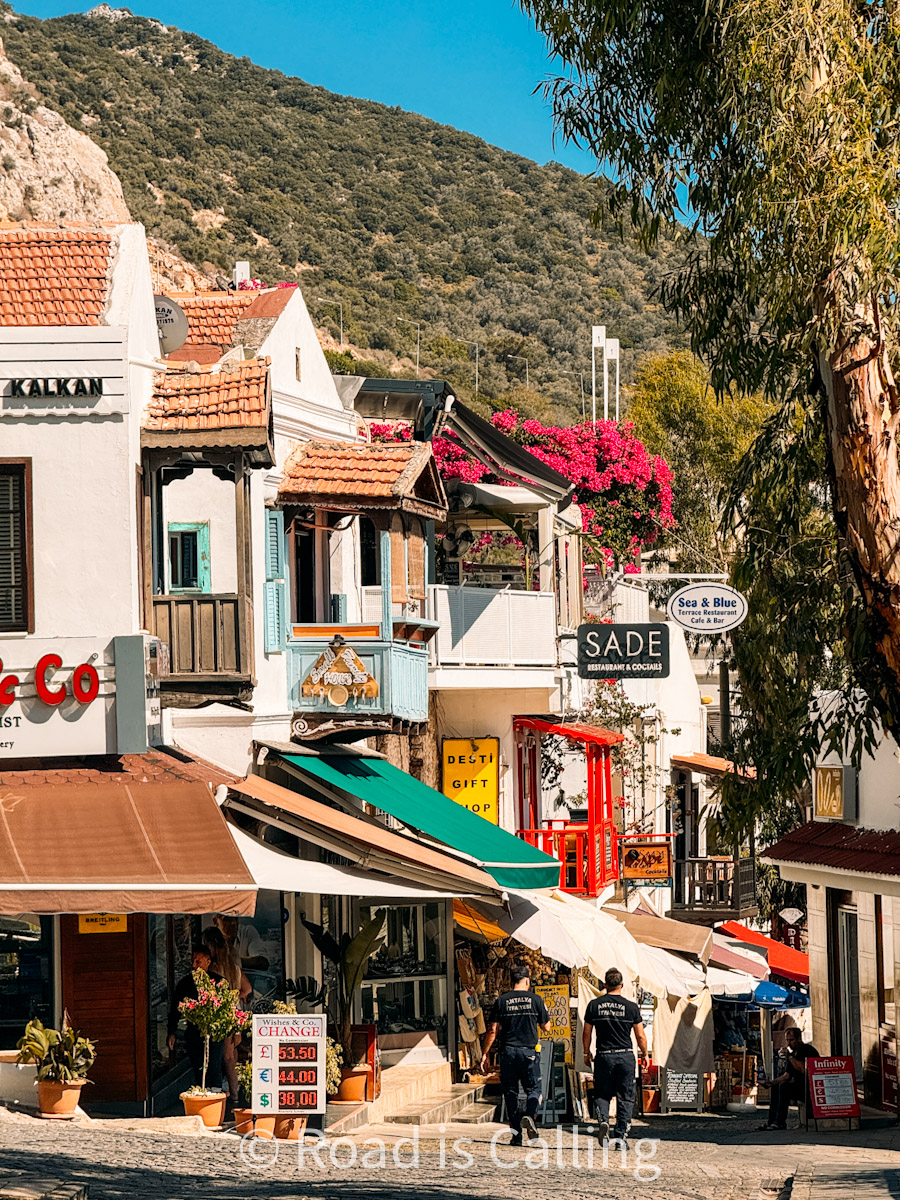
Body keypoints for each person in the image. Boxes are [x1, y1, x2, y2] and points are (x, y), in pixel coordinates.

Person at [479, 962, 551, 1146]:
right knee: (534, 1089)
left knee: (510, 1093)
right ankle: (529, 1115)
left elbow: (493, 1030)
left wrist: (485, 1053)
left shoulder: (502, 1001)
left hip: (508, 1052)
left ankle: (516, 1135)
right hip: (529, 1052)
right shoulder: (536, 1000)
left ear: (511, 981)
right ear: (527, 981)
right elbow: (547, 1027)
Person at [583, 967, 648, 1145]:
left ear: (605, 984)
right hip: (625, 1056)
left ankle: (604, 1121)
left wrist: (586, 1052)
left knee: (602, 1094)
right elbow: (640, 1035)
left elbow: (587, 1032)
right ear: (622, 985)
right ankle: (620, 1137)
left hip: (604, 1056)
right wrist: (644, 1054)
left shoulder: (594, 1005)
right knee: (625, 1096)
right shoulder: (631, 1007)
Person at [202, 924, 251, 1104]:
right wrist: (234, 997)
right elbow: (247, 989)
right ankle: (235, 1093)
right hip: (234, 1015)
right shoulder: (233, 967)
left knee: (226, 1057)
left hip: (220, 1017)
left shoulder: (213, 969)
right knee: (232, 1056)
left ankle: (234, 1096)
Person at [167, 945, 225, 1091]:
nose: (194, 966)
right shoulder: (185, 983)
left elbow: (227, 1010)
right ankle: (201, 1093)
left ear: (208, 961)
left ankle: (215, 1096)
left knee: (214, 1066)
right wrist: (172, 1032)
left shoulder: (218, 982)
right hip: (194, 1031)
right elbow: (175, 1009)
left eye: (198, 962)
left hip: (215, 1032)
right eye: (193, 962)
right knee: (198, 1068)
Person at [759, 1026, 819, 1131]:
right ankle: (772, 1121)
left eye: (791, 1040)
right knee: (777, 1087)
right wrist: (771, 1083)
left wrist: (790, 1057)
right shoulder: (792, 1054)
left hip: (809, 1087)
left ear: (799, 1038)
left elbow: (803, 1069)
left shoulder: (807, 1050)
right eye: (787, 1040)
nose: (789, 1043)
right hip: (798, 1086)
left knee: (784, 1087)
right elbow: (787, 1075)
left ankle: (780, 1121)